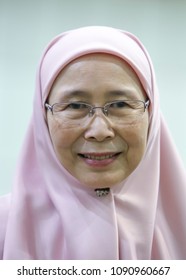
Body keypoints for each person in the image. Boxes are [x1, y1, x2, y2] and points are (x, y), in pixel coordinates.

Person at [0, 26, 186, 260]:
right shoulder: (5, 228)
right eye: (76, 106)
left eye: (120, 105)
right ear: (42, 117)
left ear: (152, 112)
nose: (99, 131)